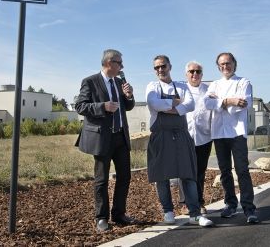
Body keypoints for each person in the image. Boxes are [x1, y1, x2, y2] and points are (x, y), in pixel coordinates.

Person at [145, 55, 213, 227]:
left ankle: (195, 213)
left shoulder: (182, 86)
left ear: (170, 66)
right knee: (162, 176)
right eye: (157, 67)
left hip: (182, 135)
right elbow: (153, 104)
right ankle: (168, 211)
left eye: (163, 66)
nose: (160, 69)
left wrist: (169, 106)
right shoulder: (152, 86)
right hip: (160, 135)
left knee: (188, 174)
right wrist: (176, 104)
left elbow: (190, 105)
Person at [75, 49, 136, 232]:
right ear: (109, 63)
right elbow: (80, 106)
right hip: (102, 138)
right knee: (101, 180)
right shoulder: (90, 81)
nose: (122, 67)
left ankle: (119, 213)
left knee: (125, 177)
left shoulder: (119, 82)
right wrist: (103, 106)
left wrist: (129, 96)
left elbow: (129, 107)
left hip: (120, 137)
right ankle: (101, 217)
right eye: (120, 63)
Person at [203, 52, 259, 224]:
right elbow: (207, 103)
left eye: (228, 63)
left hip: (237, 133)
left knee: (242, 170)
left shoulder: (244, 82)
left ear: (234, 64)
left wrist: (220, 103)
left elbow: (242, 106)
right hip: (219, 134)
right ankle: (231, 205)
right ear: (218, 67)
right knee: (225, 171)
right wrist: (229, 101)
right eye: (221, 64)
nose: (225, 67)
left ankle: (249, 209)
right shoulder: (214, 85)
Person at [178, 61, 213, 215]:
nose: (195, 74)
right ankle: (185, 203)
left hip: (204, 137)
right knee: (185, 171)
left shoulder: (209, 91)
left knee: (200, 171)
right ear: (186, 74)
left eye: (198, 71)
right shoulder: (180, 90)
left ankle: (199, 202)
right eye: (191, 71)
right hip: (184, 136)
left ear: (202, 74)